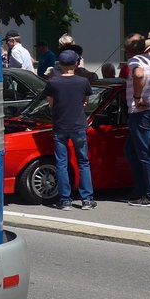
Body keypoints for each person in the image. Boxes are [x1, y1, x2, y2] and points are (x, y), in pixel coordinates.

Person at [45, 49, 96, 210]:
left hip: (60, 125)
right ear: (76, 64)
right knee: (83, 162)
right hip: (78, 126)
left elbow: (51, 103)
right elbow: (86, 102)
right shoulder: (83, 82)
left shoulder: (53, 82)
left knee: (61, 163)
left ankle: (65, 199)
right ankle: (87, 199)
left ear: (60, 64)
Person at [124, 34, 150, 206]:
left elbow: (139, 74)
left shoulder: (135, 61)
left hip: (142, 111)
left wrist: (137, 97)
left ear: (128, 51)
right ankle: (141, 190)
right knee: (131, 150)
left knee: (145, 154)